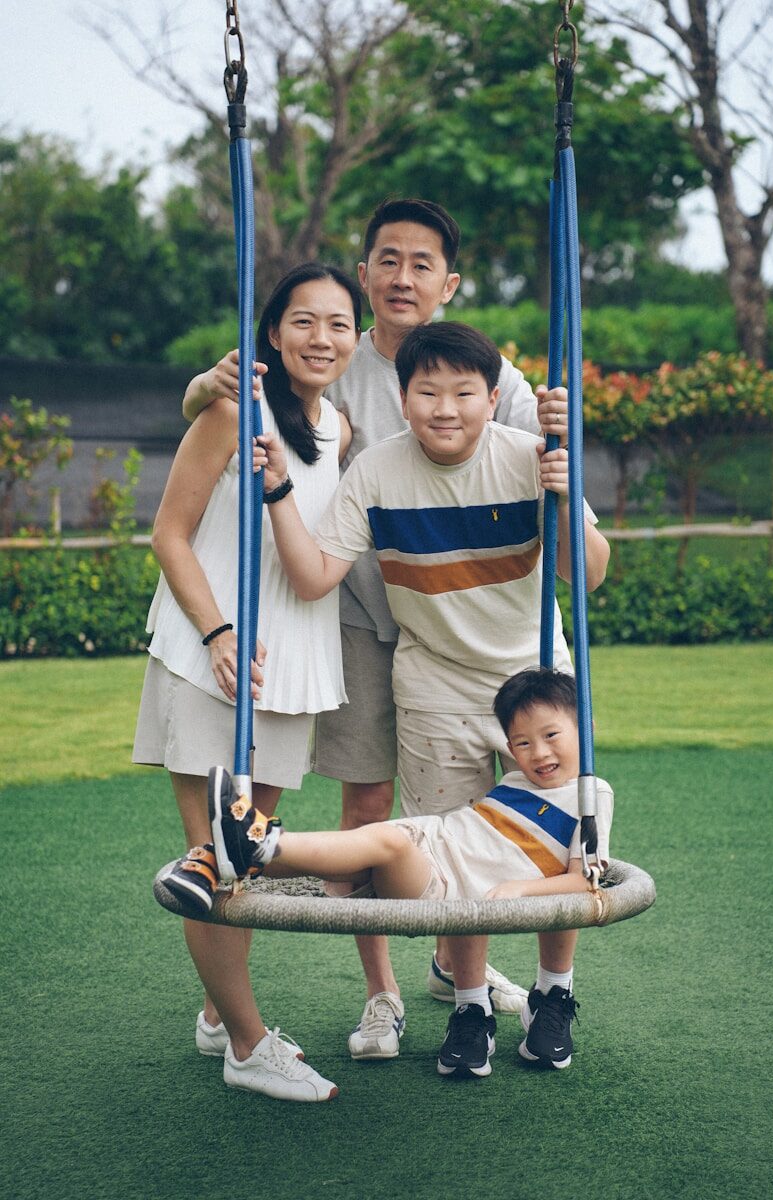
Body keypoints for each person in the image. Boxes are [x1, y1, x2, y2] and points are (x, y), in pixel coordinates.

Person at [185, 198, 580, 1057]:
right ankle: (383, 990)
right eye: (387, 261)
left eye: (422, 263)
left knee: (506, 806)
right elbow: (239, 393)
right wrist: (204, 392)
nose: (403, 277)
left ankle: (462, 970)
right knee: (373, 799)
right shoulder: (330, 351)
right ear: (366, 276)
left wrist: (562, 445)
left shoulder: (492, 376)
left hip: (488, 624)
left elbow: (541, 485)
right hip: (371, 616)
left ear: (450, 282)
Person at [254, 319, 610, 1065]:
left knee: (562, 842)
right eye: (427, 392)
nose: (445, 408)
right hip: (436, 686)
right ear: (403, 395)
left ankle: (554, 991)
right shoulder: (377, 473)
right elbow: (316, 574)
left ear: (491, 398)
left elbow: (588, 574)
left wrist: (566, 487)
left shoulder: (530, 458)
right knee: (455, 863)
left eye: (463, 392)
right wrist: (279, 489)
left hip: (534, 683)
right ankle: (471, 1005)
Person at [133, 262, 363, 1102]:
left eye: (339, 324)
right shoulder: (233, 409)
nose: (321, 339)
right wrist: (219, 633)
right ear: (271, 333)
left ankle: (214, 1014)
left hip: (292, 664)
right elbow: (169, 534)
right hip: (213, 658)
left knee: (249, 858)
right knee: (216, 863)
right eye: (303, 322)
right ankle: (246, 1044)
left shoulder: (338, 427)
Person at [195, 667, 614, 1080]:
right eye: (522, 743)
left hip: (441, 881)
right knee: (356, 850)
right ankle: (237, 853)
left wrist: (522, 890)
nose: (538, 753)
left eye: (551, 736)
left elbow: (584, 880)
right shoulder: (518, 781)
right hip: (430, 843)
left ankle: (258, 838)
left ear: (587, 729)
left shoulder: (590, 795)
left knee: (385, 843)